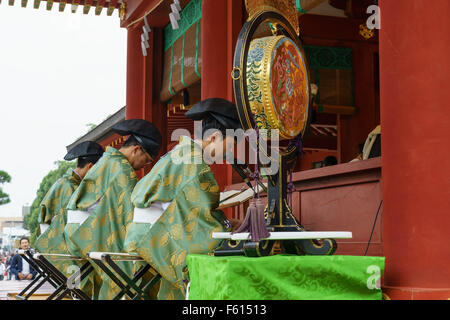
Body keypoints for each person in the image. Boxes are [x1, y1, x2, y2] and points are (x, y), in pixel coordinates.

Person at [126, 98, 238, 300]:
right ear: (214, 138)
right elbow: (201, 215)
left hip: (142, 232)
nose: (228, 152)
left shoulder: (181, 152)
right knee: (220, 256)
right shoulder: (193, 160)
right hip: (154, 235)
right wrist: (229, 225)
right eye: (229, 146)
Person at [64, 119, 162, 300]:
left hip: (77, 233)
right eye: (146, 160)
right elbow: (130, 214)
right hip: (88, 233)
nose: (144, 166)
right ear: (136, 150)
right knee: (135, 267)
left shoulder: (108, 160)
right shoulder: (122, 169)